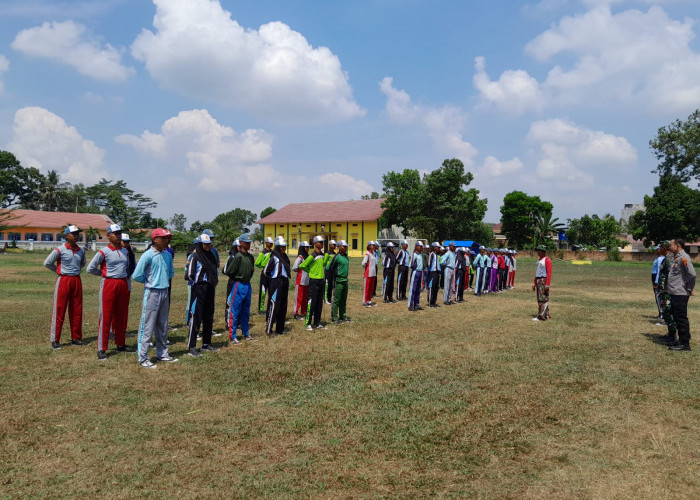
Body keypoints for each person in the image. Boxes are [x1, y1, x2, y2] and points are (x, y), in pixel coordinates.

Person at [86, 224, 135, 360]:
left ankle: (121, 344)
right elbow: (90, 268)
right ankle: (102, 348)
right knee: (106, 316)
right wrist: (103, 273)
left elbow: (128, 267)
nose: (118, 235)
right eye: (115, 233)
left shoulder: (125, 251)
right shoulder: (103, 252)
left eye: (119, 233)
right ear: (108, 236)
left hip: (122, 283)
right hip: (109, 283)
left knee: (121, 315)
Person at [132, 228, 177, 368]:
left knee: (163, 325)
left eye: (167, 238)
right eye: (163, 238)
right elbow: (137, 275)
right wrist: (150, 282)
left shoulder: (167, 255)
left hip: (164, 291)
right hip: (151, 292)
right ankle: (143, 357)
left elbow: (171, 273)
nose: (166, 241)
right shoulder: (148, 255)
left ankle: (162, 353)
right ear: (155, 239)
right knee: (147, 325)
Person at [44, 224, 87, 349]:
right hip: (63, 280)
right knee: (59, 309)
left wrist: (75, 270)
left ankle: (76, 337)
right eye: (73, 234)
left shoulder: (81, 251)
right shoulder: (60, 250)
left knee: (77, 310)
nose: (76, 236)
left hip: (76, 280)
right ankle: (55, 339)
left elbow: (83, 263)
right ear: (66, 236)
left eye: (77, 234)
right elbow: (47, 263)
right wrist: (59, 271)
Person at [185, 233, 221, 357]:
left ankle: (206, 343)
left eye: (209, 244)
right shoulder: (195, 256)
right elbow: (189, 274)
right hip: (199, 288)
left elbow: (215, 269)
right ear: (200, 244)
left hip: (210, 288)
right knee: (196, 316)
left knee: (208, 316)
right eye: (205, 244)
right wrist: (200, 281)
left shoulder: (211, 255)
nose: (207, 246)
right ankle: (192, 346)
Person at [223, 234, 256, 344]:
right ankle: (232, 336)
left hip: (247, 285)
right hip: (238, 284)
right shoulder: (238, 257)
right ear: (241, 243)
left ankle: (246, 333)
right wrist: (238, 277)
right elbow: (229, 271)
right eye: (246, 243)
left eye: (249, 242)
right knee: (235, 310)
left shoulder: (250, 257)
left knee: (246, 311)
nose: (248, 244)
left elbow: (251, 270)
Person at [667, 239, 695, 351]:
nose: (669, 247)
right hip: (675, 292)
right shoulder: (676, 257)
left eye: (671, 245)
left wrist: (688, 288)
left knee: (681, 317)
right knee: (677, 317)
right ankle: (681, 340)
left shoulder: (684, 257)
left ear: (677, 245)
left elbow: (692, 274)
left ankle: (685, 344)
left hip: (680, 292)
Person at [264, 236, 291, 336]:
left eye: (285, 247)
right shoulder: (274, 256)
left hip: (285, 282)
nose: (284, 248)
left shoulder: (285, 257)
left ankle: (280, 329)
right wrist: (273, 278)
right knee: (274, 305)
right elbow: (266, 271)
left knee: (283, 306)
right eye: (282, 247)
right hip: (276, 282)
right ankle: (269, 329)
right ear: (278, 247)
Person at [300, 235, 326, 330]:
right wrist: (310, 271)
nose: (322, 244)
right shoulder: (312, 255)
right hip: (314, 281)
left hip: (321, 281)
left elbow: (323, 264)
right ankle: (308, 323)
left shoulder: (322, 255)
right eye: (320, 242)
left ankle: (317, 322)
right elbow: (302, 265)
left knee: (319, 303)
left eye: (323, 242)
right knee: (312, 302)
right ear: (315, 244)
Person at [655, 241, 676, 342]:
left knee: (668, 312)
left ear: (665, 248)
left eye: (661, 247)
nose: (660, 249)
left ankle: (672, 336)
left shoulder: (669, 258)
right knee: (666, 311)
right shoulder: (666, 258)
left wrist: (667, 288)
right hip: (664, 290)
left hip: (667, 291)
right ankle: (670, 333)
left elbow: (672, 274)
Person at [329, 240, 351, 323]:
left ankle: (343, 316)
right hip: (338, 280)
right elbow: (329, 267)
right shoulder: (336, 257)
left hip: (345, 280)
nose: (345, 248)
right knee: (337, 300)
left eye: (346, 246)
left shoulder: (346, 257)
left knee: (343, 299)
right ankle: (334, 318)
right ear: (339, 247)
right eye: (344, 246)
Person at [223, 238, 240, 329]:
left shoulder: (241, 256)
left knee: (239, 302)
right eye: (239, 246)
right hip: (232, 282)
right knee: (230, 302)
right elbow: (225, 270)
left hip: (240, 283)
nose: (240, 248)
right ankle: (228, 322)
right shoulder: (232, 257)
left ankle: (237, 322)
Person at [255, 237, 274, 316]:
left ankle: (270, 307)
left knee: (271, 292)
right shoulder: (263, 252)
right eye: (270, 243)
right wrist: (264, 265)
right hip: (264, 275)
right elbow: (257, 263)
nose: (271, 244)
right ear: (266, 243)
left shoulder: (273, 252)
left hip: (271, 275)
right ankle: (261, 309)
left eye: (272, 243)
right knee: (263, 292)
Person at [532, 245, 552, 321]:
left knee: (543, 298)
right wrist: (534, 283)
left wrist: (547, 284)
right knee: (539, 298)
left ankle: (542, 316)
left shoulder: (547, 260)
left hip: (543, 280)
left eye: (539, 250)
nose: (538, 252)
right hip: (538, 280)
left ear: (543, 251)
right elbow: (537, 272)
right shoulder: (539, 260)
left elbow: (549, 273)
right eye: (537, 250)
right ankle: (544, 314)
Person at [292, 241, 310, 320]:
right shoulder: (300, 257)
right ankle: (295, 313)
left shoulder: (308, 257)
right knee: (298, 298)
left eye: (308, 247)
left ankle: (303, 312)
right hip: (300, 281)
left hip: (307, 281)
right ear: (303, 248)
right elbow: (294, 267)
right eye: (306, 247)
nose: (308, 249)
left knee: (305, 298)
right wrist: (300, 271)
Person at [408, 241, 425, 311]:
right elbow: (411, 264)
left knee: (418, 289)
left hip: (420, 272)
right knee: (413, 289)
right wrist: (415, 268)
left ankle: (416, 304)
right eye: (420, 246)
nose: (422, 248)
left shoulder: (420, 254)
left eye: (422, 247)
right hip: (415, 272)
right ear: (417, 246)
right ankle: (410, 305)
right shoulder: (414, 254)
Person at [361, 242, 377, 307]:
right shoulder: (367, 254)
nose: (373, 246)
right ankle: (365, 301)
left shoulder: (373, 253)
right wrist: (367, 268)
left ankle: (369, 300)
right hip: (368, 273)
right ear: (369, 246)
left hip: (373, 273)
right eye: (372, 245)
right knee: (367, 288)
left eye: (374, 245)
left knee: (371, 288)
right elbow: (363, 263)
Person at [651, 246, 665, 322]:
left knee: (658, 297)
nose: (656, 251)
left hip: (657, 279)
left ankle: (662, 313)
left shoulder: (661, 259)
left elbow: (659, 272)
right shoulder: (657, 258)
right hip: (654, 277)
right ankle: (660, 312)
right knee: (657, 297)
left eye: (657, 249)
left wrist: (656, 282)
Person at [427, 242, 442, 308]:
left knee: (436, 288)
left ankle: (434, 302)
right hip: (432, 272)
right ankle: (430, 302)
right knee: (431, 287)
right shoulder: (432, 254)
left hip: (436, 273)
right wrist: (431, 269)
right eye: (438, 247)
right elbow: (429, 264)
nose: (439, 249)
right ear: (434, 248)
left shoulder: (437, 255)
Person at [324, 239, 337, 305]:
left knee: (331, 286)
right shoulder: (327, 253)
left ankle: (329, 299)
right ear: (330, 245)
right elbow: (324, 262)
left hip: (333, 271)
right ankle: (325, 299)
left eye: (335, 245)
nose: (334, 246)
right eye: (333, 245)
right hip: (328, 271)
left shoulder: (335, 254)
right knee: (327, 285)